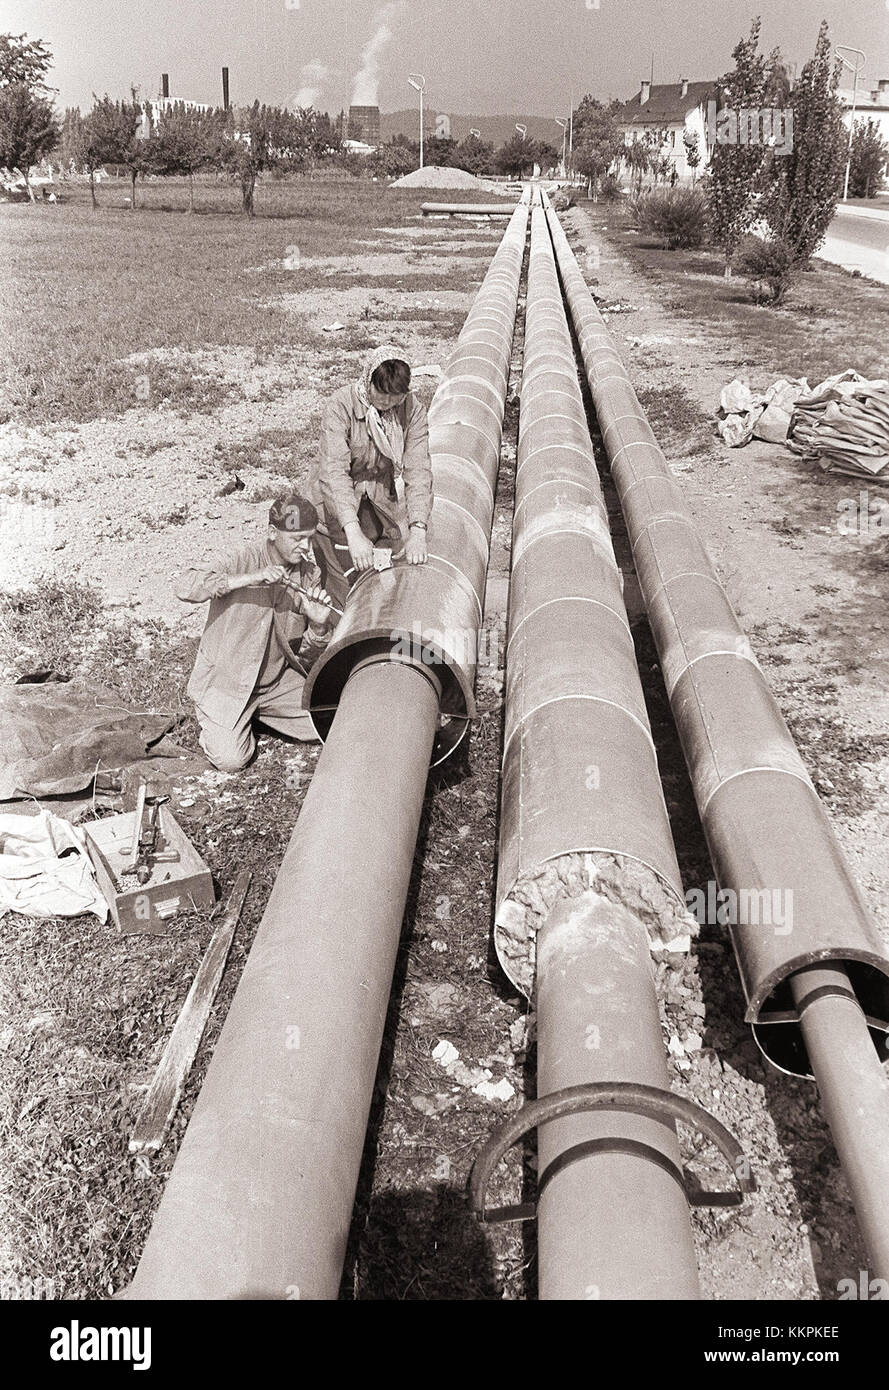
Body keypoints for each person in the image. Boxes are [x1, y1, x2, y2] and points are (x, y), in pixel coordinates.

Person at [175, 493, 337, 772]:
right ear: (273, 533)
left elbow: (307, 658)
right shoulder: (243, 558)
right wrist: (251, 578)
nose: (306, 547)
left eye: (309, 538)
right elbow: (185, 585)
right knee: (231, 760)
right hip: (227, 683)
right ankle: (221, 718)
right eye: (297, 538)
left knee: (332, 722)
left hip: (275, 683)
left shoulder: (309, 573)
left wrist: (319, 626)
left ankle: (259, 715)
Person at [310, 345, 433, 604]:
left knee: (382, 586)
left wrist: (418, 529)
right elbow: (334, 472)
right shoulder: (341, 405)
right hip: (334, 511)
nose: (386, 402)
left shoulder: (412, 410)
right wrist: (352, 532)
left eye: (395, 396)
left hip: (378, 508)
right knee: (344, 593)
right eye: (381, 392)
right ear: (368, 380)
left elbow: (418, 470)